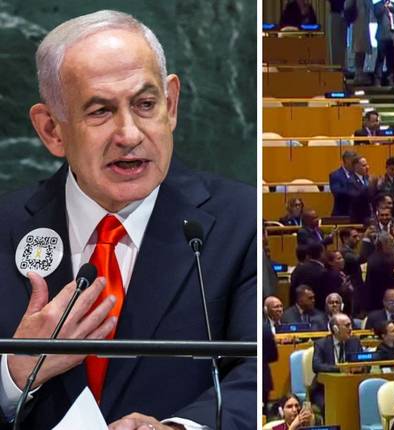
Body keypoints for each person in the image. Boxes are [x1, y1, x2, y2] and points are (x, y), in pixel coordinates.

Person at [2, 11, 257, 427]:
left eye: (145, 104)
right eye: (100, 111)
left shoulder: (242, 223)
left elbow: (257, 376)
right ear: (52, 130)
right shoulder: (6, 228)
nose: (130, 134)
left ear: (171, 104)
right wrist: (15, 373)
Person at [310, 313, 363, 412]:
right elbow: (316, 366)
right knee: (330, 406)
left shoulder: (355, 341)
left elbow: (365, 363)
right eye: (347, 326)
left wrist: (359, 367)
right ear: (335, 329)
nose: (351, 329)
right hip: (325, 390)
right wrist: (340, 369)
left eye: (351, 325)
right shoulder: (321, 344)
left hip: (350, 387)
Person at [363, 233, 394, 313]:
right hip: (380, 306)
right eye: (391, 241)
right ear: (384, 244)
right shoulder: (384, 263)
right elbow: (391, 286)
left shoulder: (372, 258)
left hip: (371, 306)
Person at [373, 0, 394, 86]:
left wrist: (393, 8)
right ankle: (377, 80)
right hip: (382, 36)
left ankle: (390, 79)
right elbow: (377, 14)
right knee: (380, 59)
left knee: (391, 59)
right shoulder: (378, 5)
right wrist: (385, 6)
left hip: (393, 36)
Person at [347, 0, 373, 85]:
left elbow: (370, 8)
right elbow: (347, 5)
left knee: (363, 49)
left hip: (365, 25)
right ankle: (358, 73)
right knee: (358, 49)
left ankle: (360, 72)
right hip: (357, 25)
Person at [348, 155, 377, 224]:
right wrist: (369, 187)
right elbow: (356, 197)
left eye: (367, 165)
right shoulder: (350, 181)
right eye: (364, 165)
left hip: (371, 216)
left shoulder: (369, 179)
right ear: (356, 167)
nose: (367, 167)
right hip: (358, 217)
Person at [329, 150, 359, 216]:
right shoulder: (335, 175)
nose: (356, 163)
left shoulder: (359, 173)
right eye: (354, 160)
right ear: (347, 160)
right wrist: (356, 193)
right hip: (342, 213)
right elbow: (337, 192)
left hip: (358, 213)